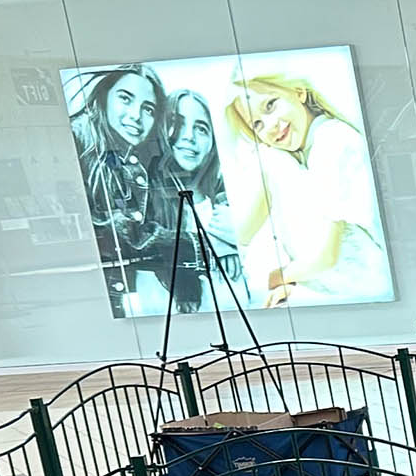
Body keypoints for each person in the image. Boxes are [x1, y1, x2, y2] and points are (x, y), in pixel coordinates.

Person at [226, 68, 390, 304]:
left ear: (299, 91)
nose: (270, 125)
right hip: (343, 287)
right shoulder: (301, 154)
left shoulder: (333, 141)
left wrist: (275, 278)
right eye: (257, 124)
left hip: (365, 287)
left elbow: (327, 257)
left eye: (271, 105)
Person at [66, 62, 173, 311]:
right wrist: (196, 244)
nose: (136, 115)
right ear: (104, 98)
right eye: (125, 99)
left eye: (148, 109)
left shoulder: (137, 157)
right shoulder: (77, 140)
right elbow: (123, 232)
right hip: (93, 294)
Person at [155, 89, 244, 312]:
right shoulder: (152, 212)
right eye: (178, 123)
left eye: (201, 129)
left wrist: (237, 242)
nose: (189, 137)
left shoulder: (229, 207)